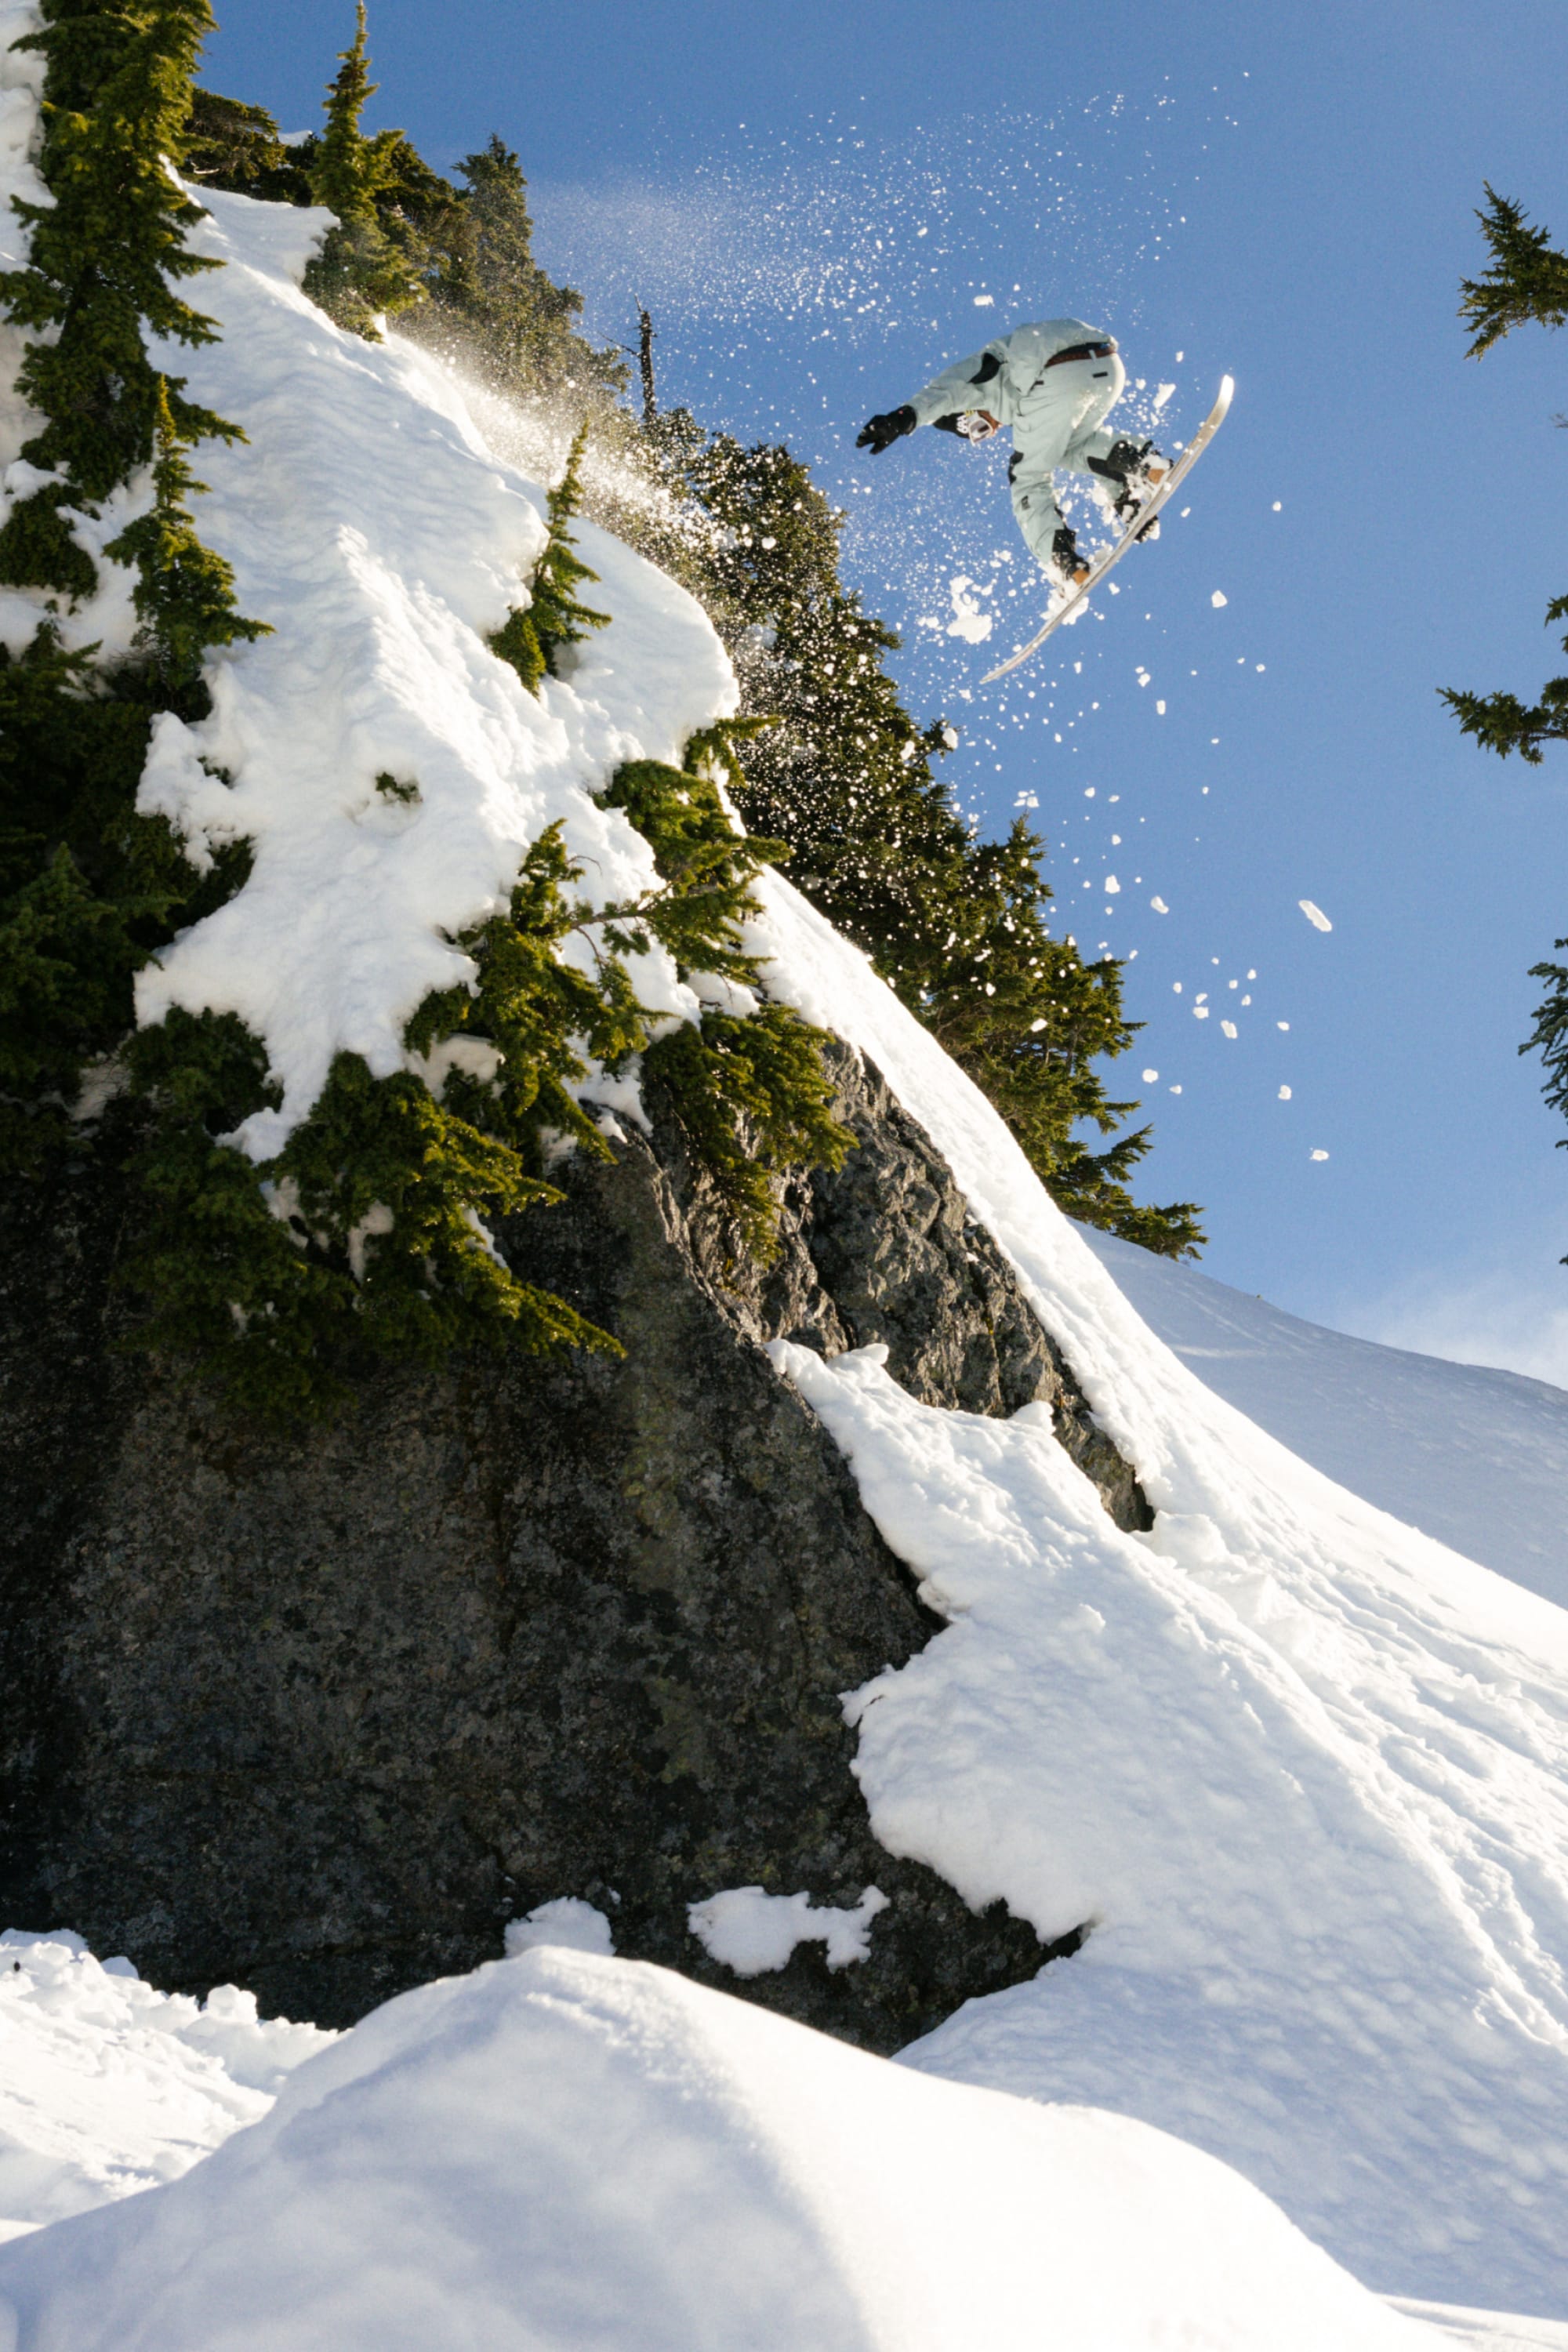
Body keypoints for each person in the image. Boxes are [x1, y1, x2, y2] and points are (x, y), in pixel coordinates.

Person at [856, 318, 1168, 591]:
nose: (992, 430)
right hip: (1107, 365)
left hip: (1053, 372)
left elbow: (941, 395)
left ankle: (1064, 563)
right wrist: (1125, 502)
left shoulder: (976, 376)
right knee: (1071, 447)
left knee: (1026, 475)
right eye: (980, 434)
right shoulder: (1009, 369)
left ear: (966, 412)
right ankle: (1145, 467)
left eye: (977, 427)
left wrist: (900, 420)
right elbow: (1086, 450)